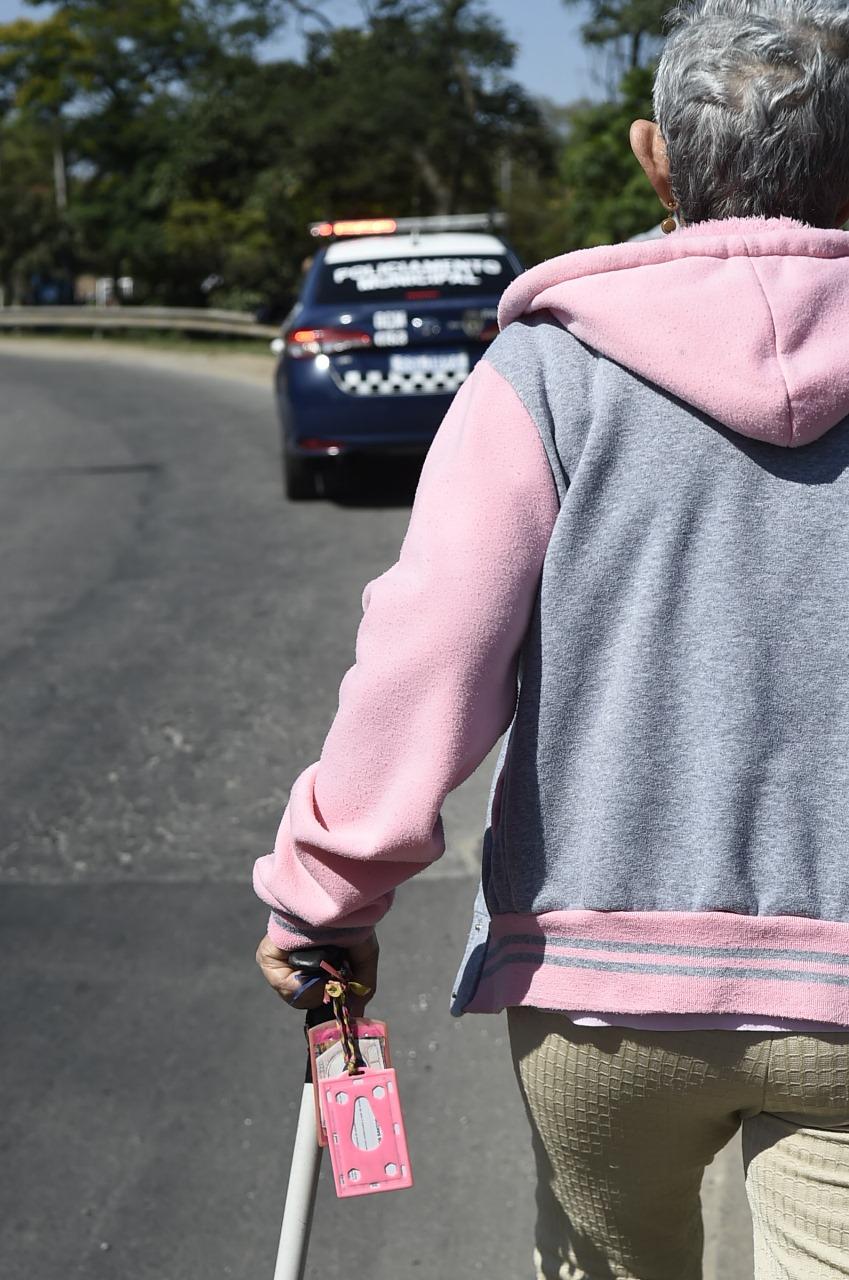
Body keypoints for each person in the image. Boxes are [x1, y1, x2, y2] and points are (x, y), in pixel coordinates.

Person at [254, 1, 849, 1275]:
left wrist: (325, 897)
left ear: (654, 157)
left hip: (598, 986)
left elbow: (430, 653)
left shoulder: (547, 374)